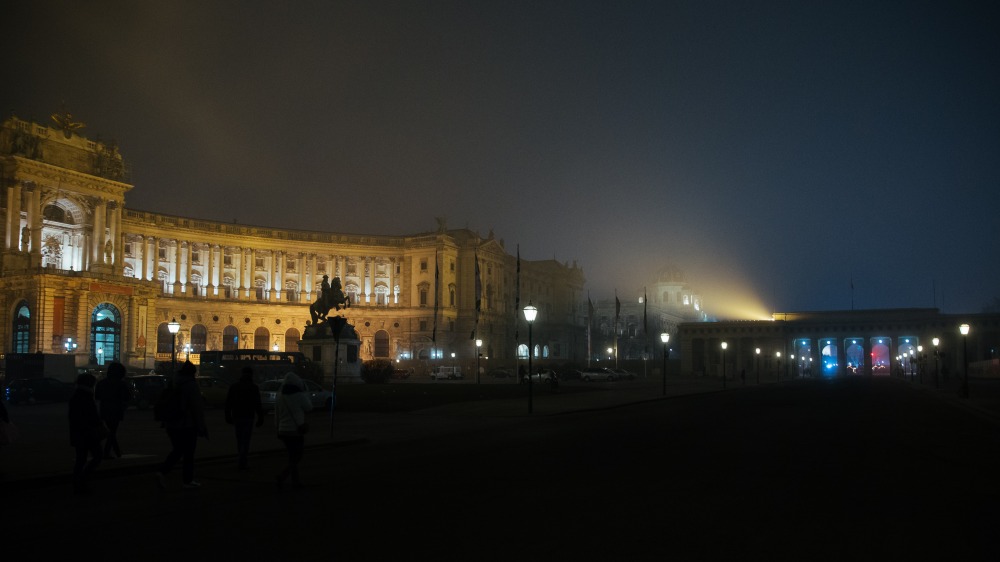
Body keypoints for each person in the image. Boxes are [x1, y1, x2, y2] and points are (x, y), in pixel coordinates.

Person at [155, 360, 208, 490]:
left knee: (178, 450)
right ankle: (186, 480)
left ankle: (162, 471)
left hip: (171, 423)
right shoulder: (191, 385)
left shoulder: (173, 383)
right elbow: (196, 407)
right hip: (187, 424)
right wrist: (201, 426)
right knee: (188, 453)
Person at [274, 371, 313, 489]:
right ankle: (283, 475)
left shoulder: (279, 396)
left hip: (282, 430)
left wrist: (277, 429)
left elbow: (276, 415)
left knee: (292, 456)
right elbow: (309, 408)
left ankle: (295, 481)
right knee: (298, 456)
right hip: (296, 431)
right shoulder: (299, 395)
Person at [68, 372, 103, 494]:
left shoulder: (77, 395)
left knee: (81, 459)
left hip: (78, 433)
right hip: (87, 433)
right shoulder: (86, 396)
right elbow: (92, 416)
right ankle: (81, 480)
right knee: (97, 456)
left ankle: (77, 482)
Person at [224, 366, 265, 470]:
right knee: (246, 439)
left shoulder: (234, 386)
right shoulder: (253, 387)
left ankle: (241, 458)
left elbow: (228, 403)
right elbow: (258, 404)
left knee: (239, 439)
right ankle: (243, 460)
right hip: (248, 416)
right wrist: (260, 417)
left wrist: (228, 415)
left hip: (237, 416)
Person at [95, 361, 131, 459]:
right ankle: (108, 452)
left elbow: (97, 396)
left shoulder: (101, 383)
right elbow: (127, 397)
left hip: (104, 410)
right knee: (112, 432)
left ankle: (116, 451)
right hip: (116, 411)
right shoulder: (121, 384)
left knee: (111, 432)